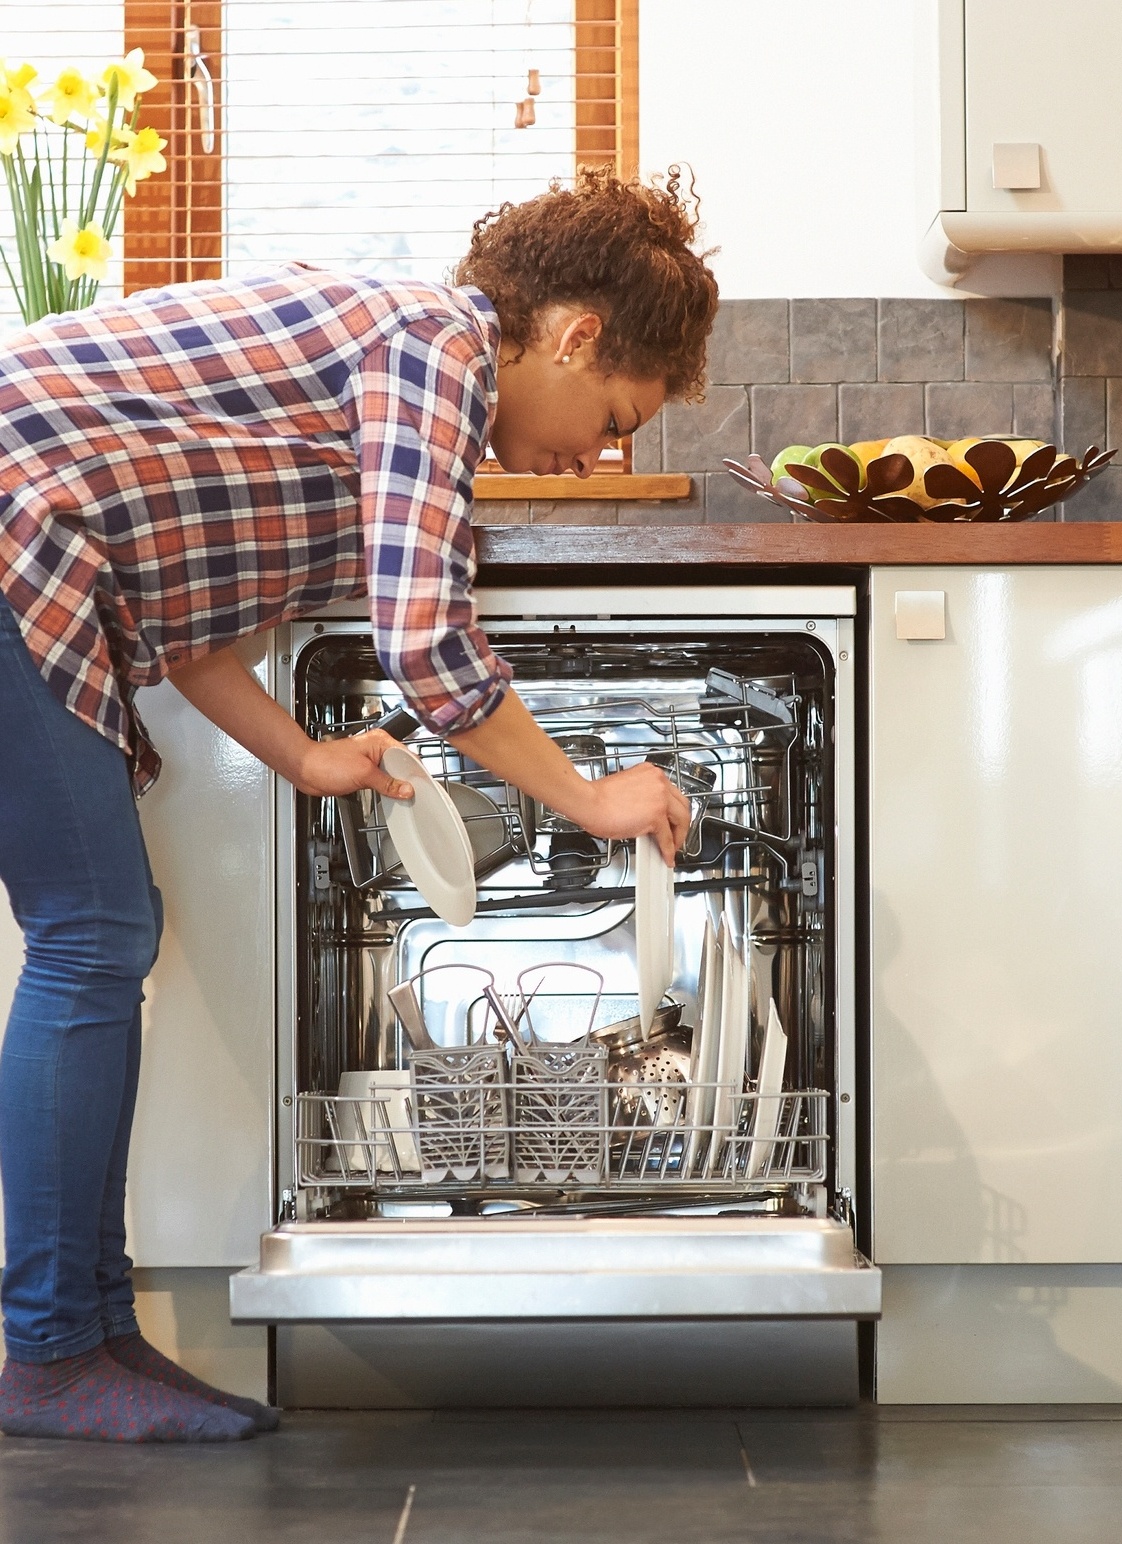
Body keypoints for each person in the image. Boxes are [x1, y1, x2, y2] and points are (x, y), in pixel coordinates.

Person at [0, 166, 718, 1442]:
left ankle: (93, 1335)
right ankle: (54, 1349)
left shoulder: (399, 383)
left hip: (45, 553)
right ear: (575, 333)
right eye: (617, 411)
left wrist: (306, 757)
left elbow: (188, 617)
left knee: (101, 932)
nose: (600, 450)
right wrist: (592, 799)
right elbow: (429, 644)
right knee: (92, 933)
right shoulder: (436, 344)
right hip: (13, 534)